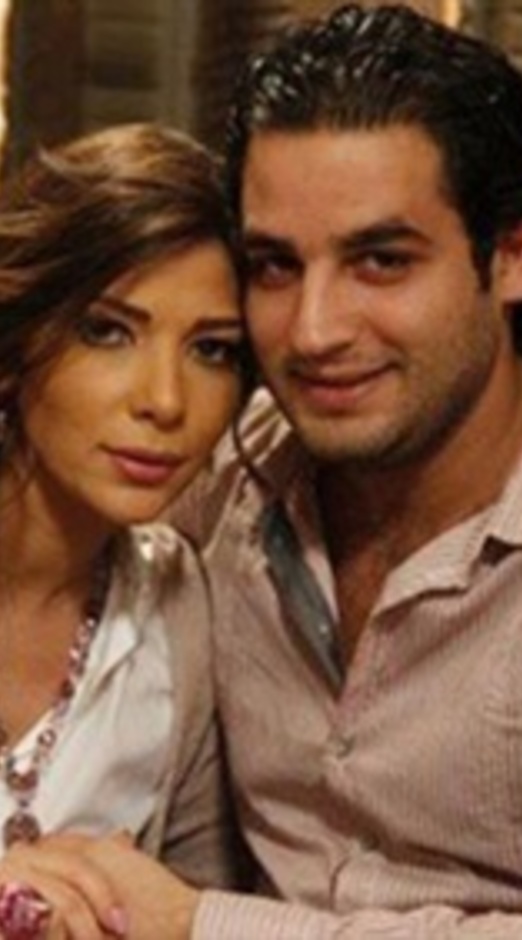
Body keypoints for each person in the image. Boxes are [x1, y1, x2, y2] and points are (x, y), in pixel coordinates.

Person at [9, 4, 522, 939]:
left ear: (511, 254)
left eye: (380, 260)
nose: (314, 330)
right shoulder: (227, 473)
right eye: (275, 267)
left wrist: (201, 925)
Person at [0, 123, 254, 939]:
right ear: (17, 341)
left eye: (212, 350)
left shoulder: (178, 605)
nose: (165, 401)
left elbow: (190, 909)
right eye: (107, 332)